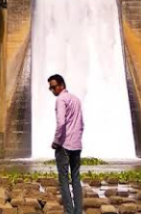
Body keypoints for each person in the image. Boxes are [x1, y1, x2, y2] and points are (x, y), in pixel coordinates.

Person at [48, 74, 83, 214]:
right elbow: (81, 123)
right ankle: (78, 211)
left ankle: (69, 212)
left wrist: (56, 141)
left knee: (63, 180)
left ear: (62, 85)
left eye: (53, 87)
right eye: (50, 88)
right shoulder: (76, 99)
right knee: (75, 178)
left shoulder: (61, 99)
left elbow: (61, 123)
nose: (52, 90)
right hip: (76, 144)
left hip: (64, 145)